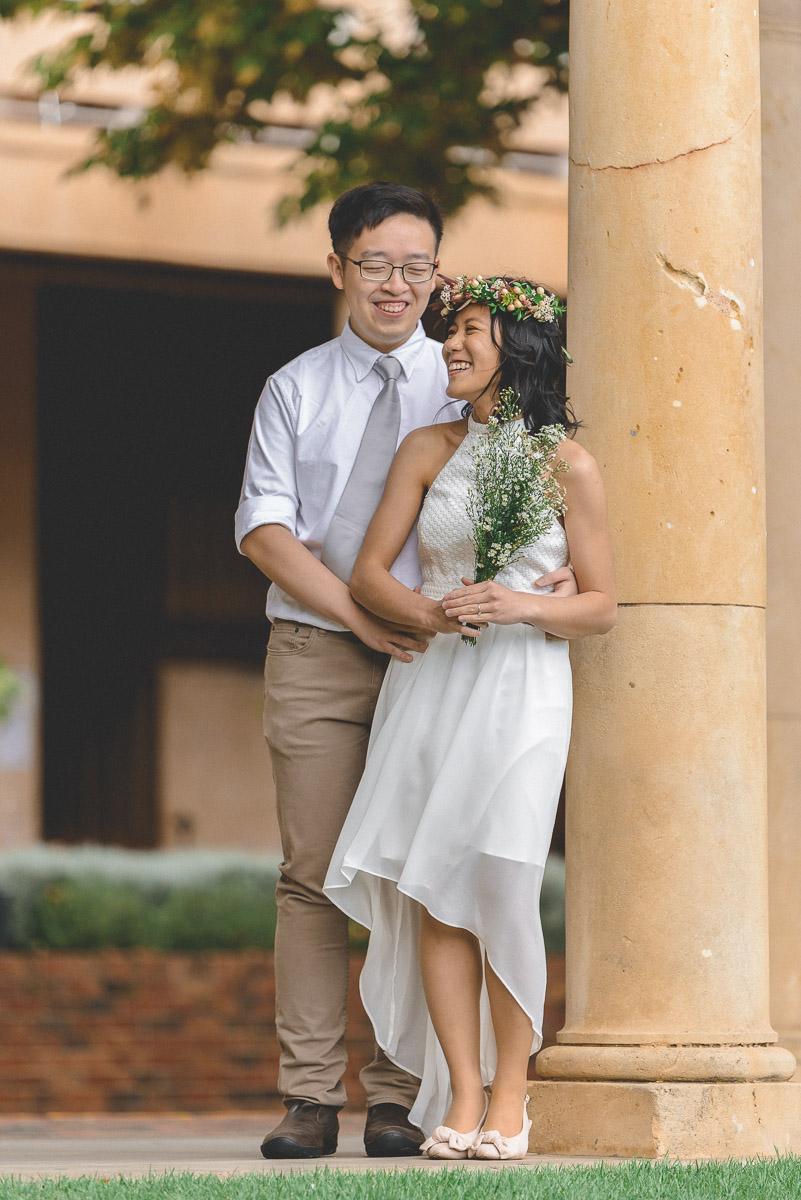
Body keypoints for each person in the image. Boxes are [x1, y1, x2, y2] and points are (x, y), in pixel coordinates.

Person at [236, 185, 575, 1159]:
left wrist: (557, 570)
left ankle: (401, 1094)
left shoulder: (468, 372)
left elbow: (549, 464)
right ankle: (309, 1095)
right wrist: (366, 615)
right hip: (319, 649)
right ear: (337, 267)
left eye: (415, 266)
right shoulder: (294, 386)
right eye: (375, 263)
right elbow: (264, 528)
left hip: (447, 664)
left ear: (440, 275)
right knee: (313, 875)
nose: (396, 284)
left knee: (417, 876)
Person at [323, 274, 617, 1160]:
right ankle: (459, 1094)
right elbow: (371, 574)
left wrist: (521, 606)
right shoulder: (426, 447)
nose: (451, 345)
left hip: (523, 690)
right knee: (434, 892)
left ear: (516, 351)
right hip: (435, 685)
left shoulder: (567, 462)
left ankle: (512, 1100)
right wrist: (436, 610)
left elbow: (601, 604)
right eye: (452, 333)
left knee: (503, 880)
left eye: (471, 332)